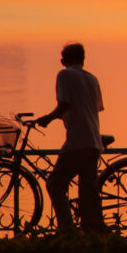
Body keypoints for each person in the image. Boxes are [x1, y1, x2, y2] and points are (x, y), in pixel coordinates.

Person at [37, 42, 105, 233]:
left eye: (63, 57)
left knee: (55, 184)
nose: (61, 60)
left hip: (77, 140)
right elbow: (96, 107)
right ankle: (92, 228)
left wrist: (47, 119)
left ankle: (66, 228)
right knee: (87, 189)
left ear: (66, 60)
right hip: (93, 140)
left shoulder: (65, 75)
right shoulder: (92, 78)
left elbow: (65, 104)